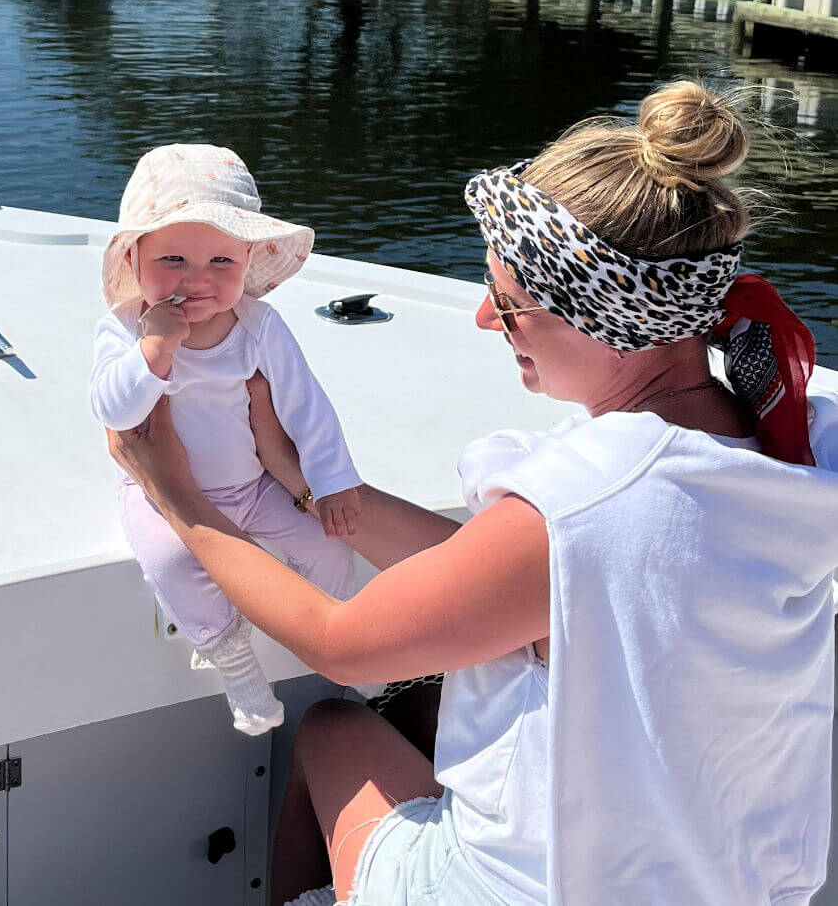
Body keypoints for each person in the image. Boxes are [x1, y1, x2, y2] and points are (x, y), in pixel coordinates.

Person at [108, 82, 838, 906]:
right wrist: (309, 485)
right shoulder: (776, 441)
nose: (487, 321)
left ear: (605, 320)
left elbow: (344, 644)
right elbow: (507, 574)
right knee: (424, 720)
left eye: (513, 303)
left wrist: (178, 498)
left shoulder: (587, 502)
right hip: (724, 886)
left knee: (335, 731)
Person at [89, 143, 363, 737]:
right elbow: (112, 409)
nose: (198, 279)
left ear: (248, 261)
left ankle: (344, 637)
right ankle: (233, 659)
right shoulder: (124, 329)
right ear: (134, 259)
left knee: (328, 543)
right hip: (157, 494)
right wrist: (155, 349)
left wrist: (333, 479)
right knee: (168, 559)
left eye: (221, 262)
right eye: (175, 259)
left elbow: (306, 405)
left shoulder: (258, 327)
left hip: (254, 484)